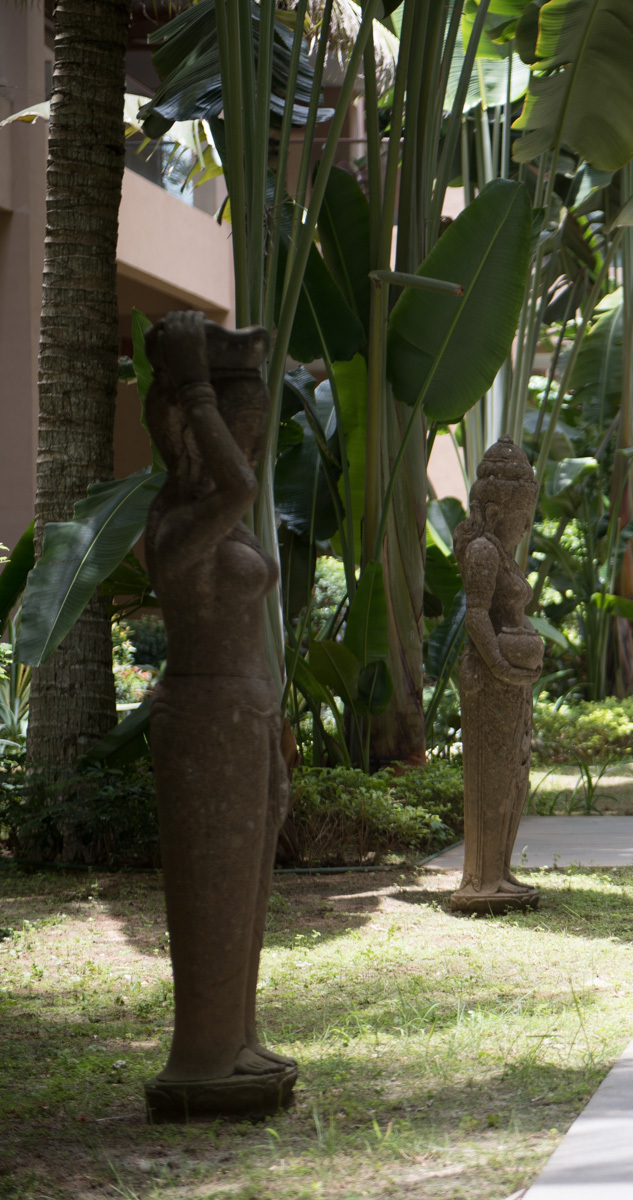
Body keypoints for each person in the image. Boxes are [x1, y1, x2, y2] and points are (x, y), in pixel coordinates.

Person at [142, 312, 294, 1117]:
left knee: (248, 886)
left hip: (245, 710)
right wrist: (196, 385)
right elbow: (237, 485)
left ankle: (237, 1035)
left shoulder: (219, 521)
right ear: (195, 433)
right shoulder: (174, 528)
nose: (252, 456)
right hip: (202, 718)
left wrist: (273, 737)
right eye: (240, 434)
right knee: (213, 889)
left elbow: (240, 485)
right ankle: (201, 1050)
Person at [448, 439, 544, 914]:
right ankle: (482, 877)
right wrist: (503, 664)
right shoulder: (484, 551)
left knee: (513, 774)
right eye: (519, 514)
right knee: (492, 773)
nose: (525, 525)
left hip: (509, 679)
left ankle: (500, 870)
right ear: (492, 509)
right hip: (489, 678)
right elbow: (476, 616)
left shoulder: (503, 554)